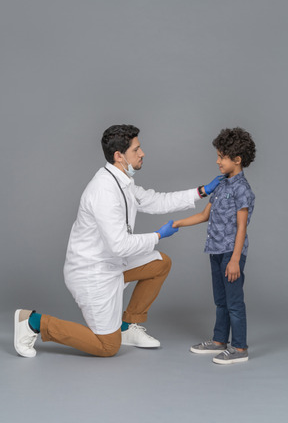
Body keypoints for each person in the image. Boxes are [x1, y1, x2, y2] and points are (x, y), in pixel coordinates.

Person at [14, 124, 222, 358]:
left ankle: (126, 327)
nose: (142, 153)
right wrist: (158, 236)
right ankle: (33, 321)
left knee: (160, 263)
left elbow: (154, 201)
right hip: (91, 273)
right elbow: (119, 245)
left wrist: (202, 191)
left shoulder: (122, 180)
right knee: (107, 347)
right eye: (137, 149)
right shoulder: (103, 190)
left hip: (112, 263)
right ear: (119, 156)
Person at [173, 127, 256, 364]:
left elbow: (242, 227)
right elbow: (204, 215)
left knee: (234, 302)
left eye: (222, 156)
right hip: (215, 250)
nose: (217, 161)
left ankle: (239, 348)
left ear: (237, 159)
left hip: (231, 252)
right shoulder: (220, 185)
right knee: (220, 300)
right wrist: (177, 223)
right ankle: (219, 341)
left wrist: (234, 259)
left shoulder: (242, 189)